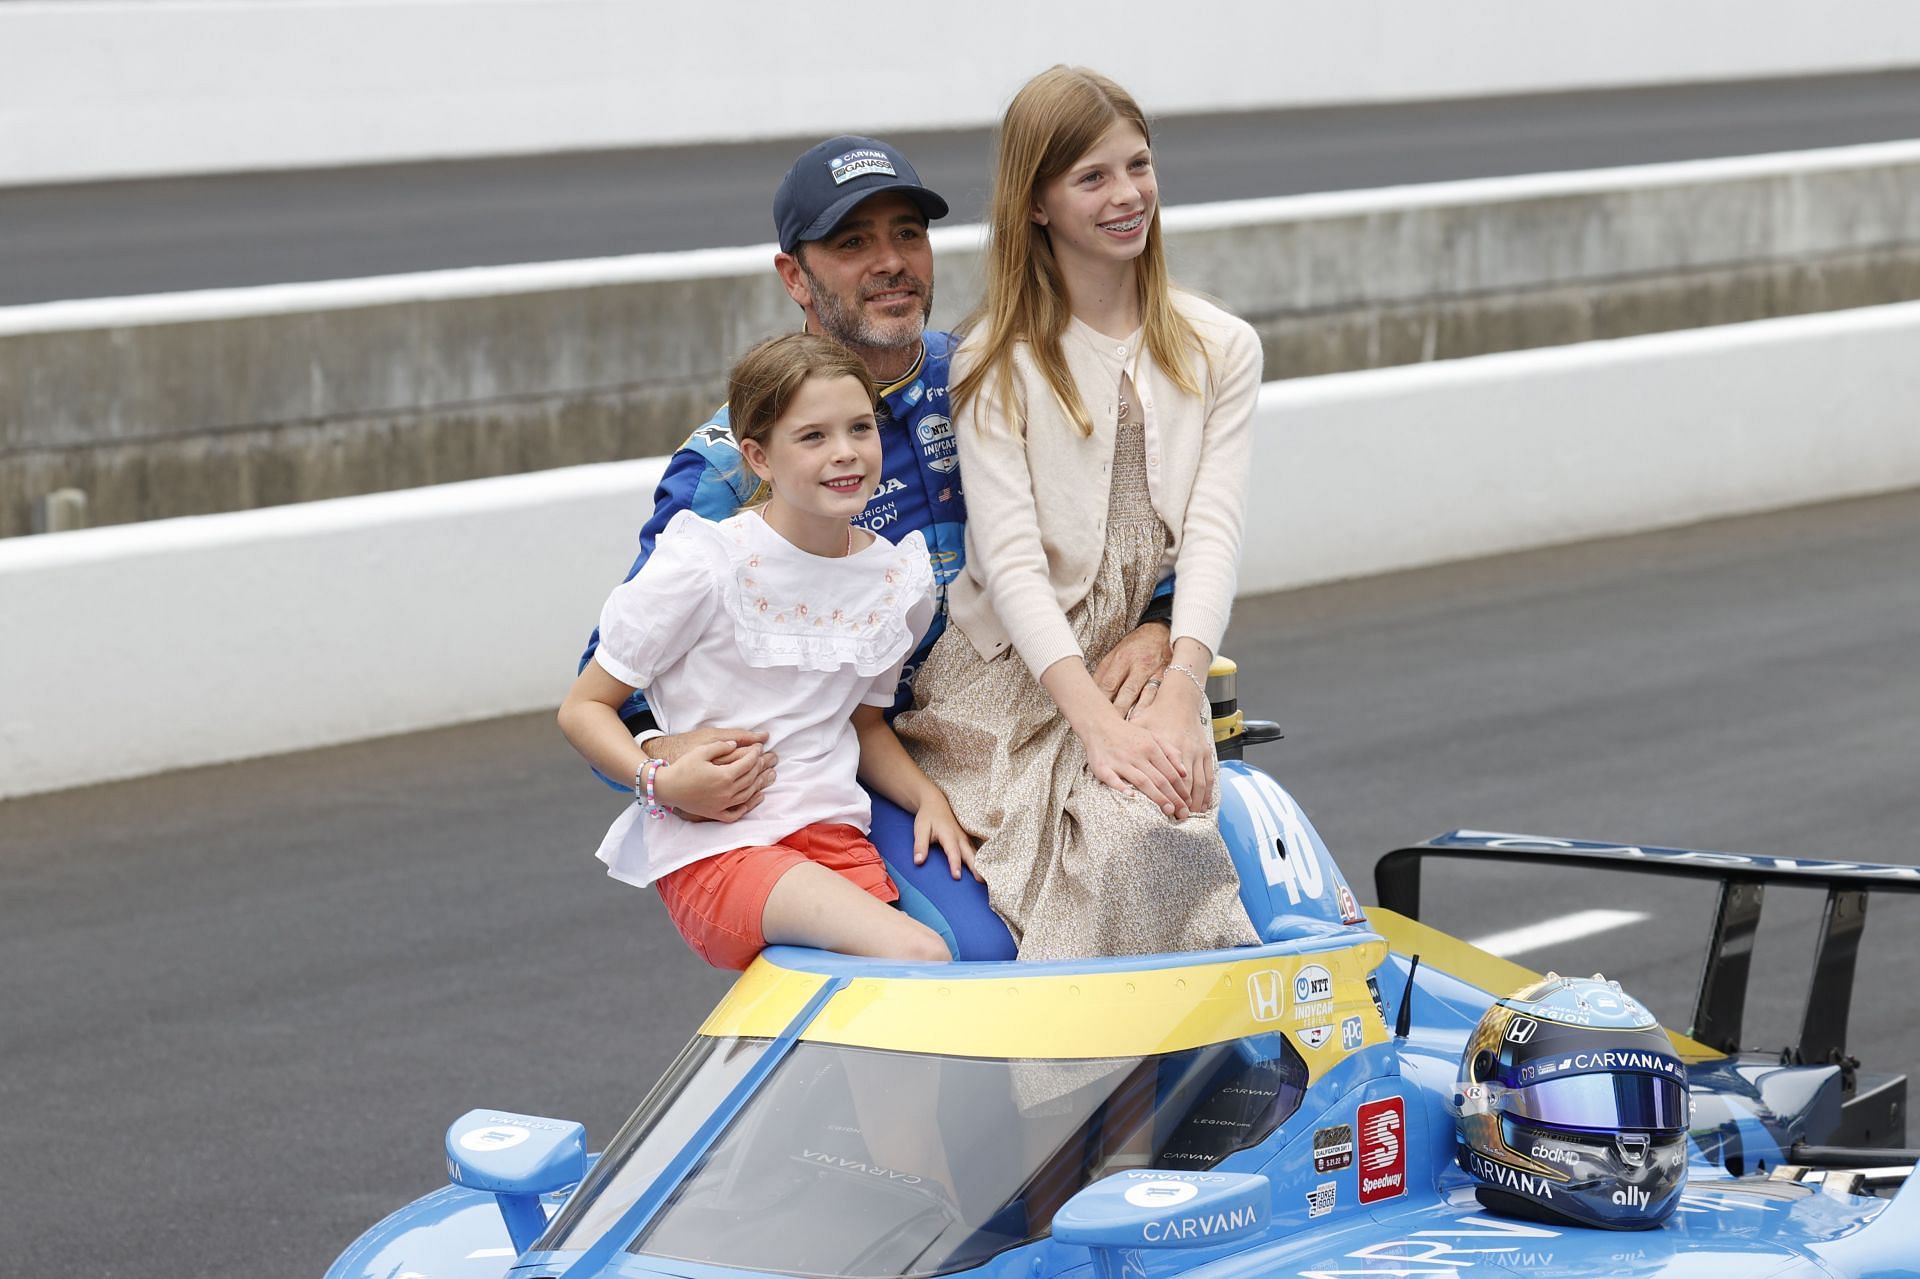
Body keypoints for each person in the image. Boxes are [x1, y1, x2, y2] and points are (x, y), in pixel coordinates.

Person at [575, 135, 1180, 954]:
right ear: (794, 276)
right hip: (861, 768)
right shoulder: (723, 465)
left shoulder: (987, 377)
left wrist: (1156, 620)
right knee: (982, 951)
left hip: (1030, 718)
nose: (891, 262)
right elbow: (614, 683)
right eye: (854, 242)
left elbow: (1122, 518)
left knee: (1174, 866)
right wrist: (664, 762)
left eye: (908, 233)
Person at [893, 67, 1263, 961]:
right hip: (1015, 677)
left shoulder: (1223, 345)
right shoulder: (993, 360)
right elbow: (1014, 569)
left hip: (1138, 665)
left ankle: (1147, 1099)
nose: (1128, 194)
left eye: (1138, 165)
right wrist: (1096, 729)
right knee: (1120, 849)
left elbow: (1213, 534)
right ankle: (1075, 1098)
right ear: (1037, 204)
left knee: (1170, 825)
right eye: (1092, 178)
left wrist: (1179, 689)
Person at [558, 334, 966, 968]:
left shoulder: (895, 579)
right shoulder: (706, 563)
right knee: (920, 957)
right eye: (812, 437)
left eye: (861, 428)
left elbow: (862, 723)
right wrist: (660, 781)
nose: (846, 453)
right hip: (720, 846)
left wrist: (927, 798)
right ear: (759, 457)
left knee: (885, 1047)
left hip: (832, 839)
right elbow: (583, 707)